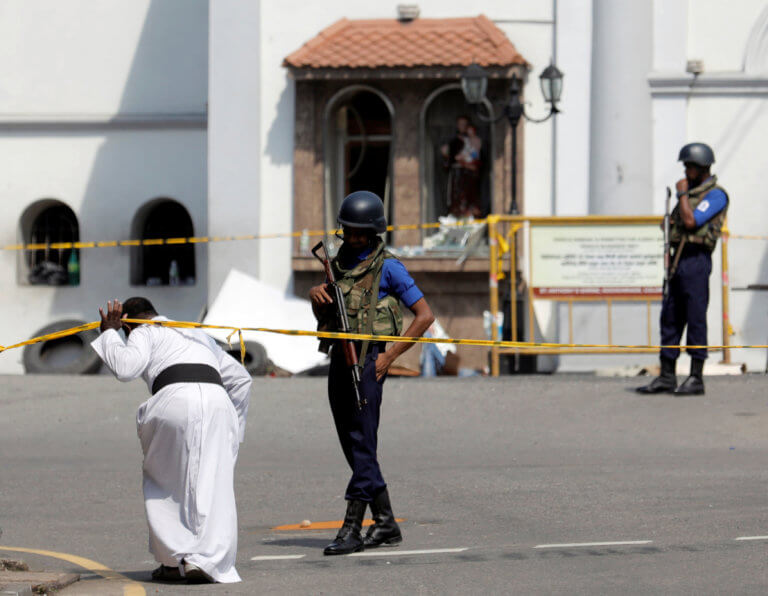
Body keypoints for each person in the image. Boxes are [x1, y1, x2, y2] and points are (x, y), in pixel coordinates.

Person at [91, 297, 251, 583]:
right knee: (211, 485)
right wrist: (232, 433)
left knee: (165, 482)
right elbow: (241, 380)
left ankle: (172, 560)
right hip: (218, 403)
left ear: (128, 323)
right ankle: (204, 561)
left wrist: (108, 333)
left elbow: (126, 368)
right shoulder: (195, 332)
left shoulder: (143, 331)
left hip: (175, 399)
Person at [309, 191, 434, 555]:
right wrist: (316, 294)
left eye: (361, 233)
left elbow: (424, 316)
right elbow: (329, 312)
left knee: (363, 443)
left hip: (368, 362)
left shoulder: (389, 267)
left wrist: (390, 356)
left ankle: (351, 528)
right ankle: (385, 524)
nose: (354, 239)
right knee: (353, 444)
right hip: (339, 358)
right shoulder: (336, 263)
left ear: (374, 232)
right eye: (348, 232)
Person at [637, 143, 728, 396]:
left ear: (702, 167)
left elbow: (690, 221)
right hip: (678, 260)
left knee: (695, 317)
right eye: (685, 166)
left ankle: (696, 377)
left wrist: (681, 196)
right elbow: (670, 226)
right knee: (670, 316)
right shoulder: (690, 193)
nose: (686, 170)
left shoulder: (716, 195)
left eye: (690, 166)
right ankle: (667, 375)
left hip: (697, 260)